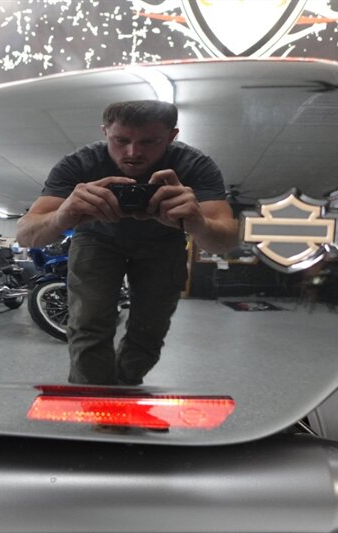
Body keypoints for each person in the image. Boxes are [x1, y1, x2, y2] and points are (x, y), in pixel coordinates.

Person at [16, 100, 238, 385]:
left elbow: (225, 242)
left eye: (149, 141)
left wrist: (198, 223)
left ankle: (123, 389)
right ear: (105, 132)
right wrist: (61, 216)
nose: (133, 153)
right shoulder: (80, 163)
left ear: (172, 136)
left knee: (150, 331)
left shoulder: (195, 165)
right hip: (96, 238)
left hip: (164, 240)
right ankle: (96, 402)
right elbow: (26, 234)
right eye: (121, 140)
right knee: (88, 325)